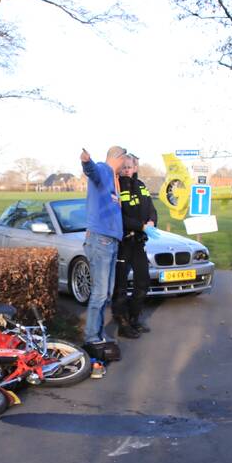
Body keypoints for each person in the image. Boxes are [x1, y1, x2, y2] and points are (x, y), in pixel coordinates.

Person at [81, 146, 128, 348]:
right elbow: (92, 171)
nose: (126, 164)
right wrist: (86, 162)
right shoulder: (103, 169)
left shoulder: (113, 178)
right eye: (124, 160)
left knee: (105, 292)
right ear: (118, 158)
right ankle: (91, 337)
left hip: (110, 241)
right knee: (100, 293)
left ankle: (98, 334)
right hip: (101, 241)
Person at [111, 155, 157, 338]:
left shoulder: (141, 186)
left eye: (129, 167)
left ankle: (134, 318)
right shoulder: (116, 187)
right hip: (124, 242)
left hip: (139, 242)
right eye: (123, 167)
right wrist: (141, 226)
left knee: (142, 281)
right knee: (121, 286)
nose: (126, 170)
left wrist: (152, 221)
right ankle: (122, 323)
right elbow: (119, 217)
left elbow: (151, 208)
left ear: (135, 167)